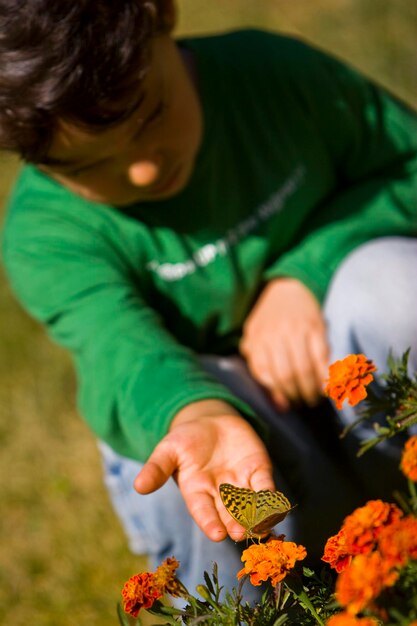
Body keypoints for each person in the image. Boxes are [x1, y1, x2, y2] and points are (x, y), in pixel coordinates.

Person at [1, 0, 416, 598]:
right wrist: (194, 412)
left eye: (149, 117)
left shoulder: (272, 75)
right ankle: (286, 605)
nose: (143, 170)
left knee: (395, 286)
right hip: (272, 465)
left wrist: (308, 271)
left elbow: (408, 163)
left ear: (160, 15)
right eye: (90, 164)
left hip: (369, 413)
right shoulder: (48, 236)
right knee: (178, 461)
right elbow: (120, 356)